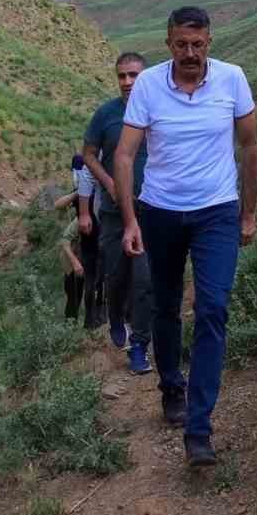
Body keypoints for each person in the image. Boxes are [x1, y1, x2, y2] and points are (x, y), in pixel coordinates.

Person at [113, 6, 257, 468]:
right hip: (160, 211)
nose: (190, 53)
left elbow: (251, 146)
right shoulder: (150, 86)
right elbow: (123, 155)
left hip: (217, 211)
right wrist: (131, 219)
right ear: (169, 44)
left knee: (213, 307)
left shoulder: (233, 79)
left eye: (198, 45)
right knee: (165, 303)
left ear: (210, 43)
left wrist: (249, 212)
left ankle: (199, 428)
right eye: (182, 45)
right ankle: (171, 385)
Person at [82, 53, 154, 376]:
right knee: (116, 275)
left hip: (151, 211)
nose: (127, 82)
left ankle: (139, 345)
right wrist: (109, 181)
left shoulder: (159, 109)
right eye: (122, 76)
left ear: (145, 76)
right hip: (113, 213)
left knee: (144, 280)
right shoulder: (106, 114)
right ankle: (114, 316)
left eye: (133, 75)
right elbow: (87, 154)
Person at [59, 155, 103, 325]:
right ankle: (70, 328)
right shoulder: (81, 214)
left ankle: (92, 325)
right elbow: (65, 240)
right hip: (78, 256)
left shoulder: (99, 199)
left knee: (93, 289)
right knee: (74, 295)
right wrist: (79, 192)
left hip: (93, 254)